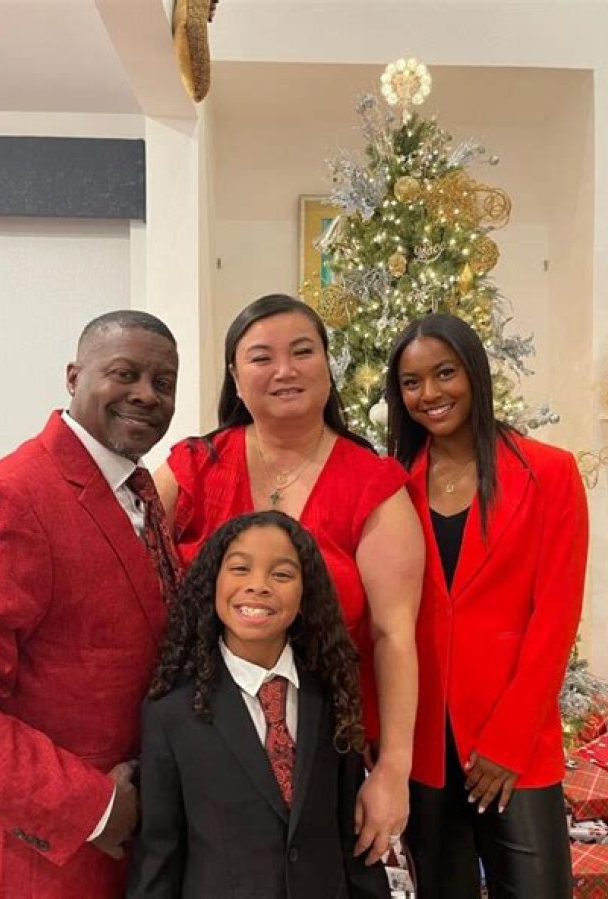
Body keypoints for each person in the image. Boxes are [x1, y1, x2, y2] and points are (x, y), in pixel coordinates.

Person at [154, 294, 424, 862]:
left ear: (327, 364)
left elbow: (394, 634)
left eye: (303, 352)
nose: (285, 370)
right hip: (197, 743)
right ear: (235, 375)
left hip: (323, 750)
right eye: (262, 357)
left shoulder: (374, 483)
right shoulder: (193, 466)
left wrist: (394, 770)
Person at [0, 310, 180, 898]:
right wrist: (93, 808)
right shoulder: (14, 497)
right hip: (39, 865)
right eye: (125, 374)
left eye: (163, 382)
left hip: (124, 859)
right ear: (73, 376)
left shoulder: (137, 491)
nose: (146, 394)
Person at [385, 313, 588, 898]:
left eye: (444, 373)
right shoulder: (392, 484)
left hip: (512, 740)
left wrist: (508, 739)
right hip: (424, 740)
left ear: (474, 373)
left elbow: (556, 617)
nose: (430, 393)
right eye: (412, 382)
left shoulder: (549, 472)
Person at [127, 510, 391, 899]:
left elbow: (349, 838)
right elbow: (159, 854)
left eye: (281, 574)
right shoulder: (171, 713)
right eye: (239, 568)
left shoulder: (332, 693)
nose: (258, 586)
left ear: (305, 595)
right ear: (213, 582)